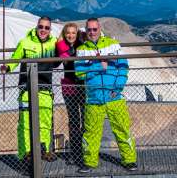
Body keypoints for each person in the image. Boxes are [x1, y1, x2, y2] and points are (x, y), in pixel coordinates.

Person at [74, 18, 138, 173]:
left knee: (122, 128)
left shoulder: (112, 44)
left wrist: (118, 87)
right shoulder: (81, 49)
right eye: (89, 30)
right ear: (86, 30)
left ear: (99, 29)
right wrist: (98, 65)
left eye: (94, 29)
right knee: (91, 132)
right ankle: (90, 162)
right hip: (94, 97)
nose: (92, 32)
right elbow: (79, 73)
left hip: (114, 95)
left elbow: (123, 66)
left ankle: (129, 160)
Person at [1, 16, 58, 163]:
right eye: (41, 27)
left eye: (47, 27)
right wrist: (7, 67)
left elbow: (60, 58)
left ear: (50, 29)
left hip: (45, 88)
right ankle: (26, 152)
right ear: (36, 27)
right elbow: (15, 58)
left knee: (45, 121)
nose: (43, 30)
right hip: (26, 88)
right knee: (25, 122)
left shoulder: (53, 43)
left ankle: (44, 150)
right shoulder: (25, 42)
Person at [55, 23, 86, 164]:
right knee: (74, 120)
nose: (71, 35)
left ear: (77, 33)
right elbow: (57, 61)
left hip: (83, 85)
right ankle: (75, 152)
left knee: (86, 119)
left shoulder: (81, 43)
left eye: (73, 32)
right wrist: (60, 41)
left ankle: (86, 151)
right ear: (64, 33)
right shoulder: (62, 46)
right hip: (69, 85)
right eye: (68, 32)